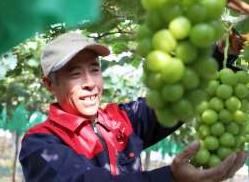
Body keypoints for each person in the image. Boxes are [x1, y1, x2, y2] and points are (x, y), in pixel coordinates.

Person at [19, 32, 247, 182]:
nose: (90, 83)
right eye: (75, 74)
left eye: (94, 70)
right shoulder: (40, 144)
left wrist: (219, 53)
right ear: (50, 84)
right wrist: (171, 177)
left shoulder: (119, 119)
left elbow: (174, 103)